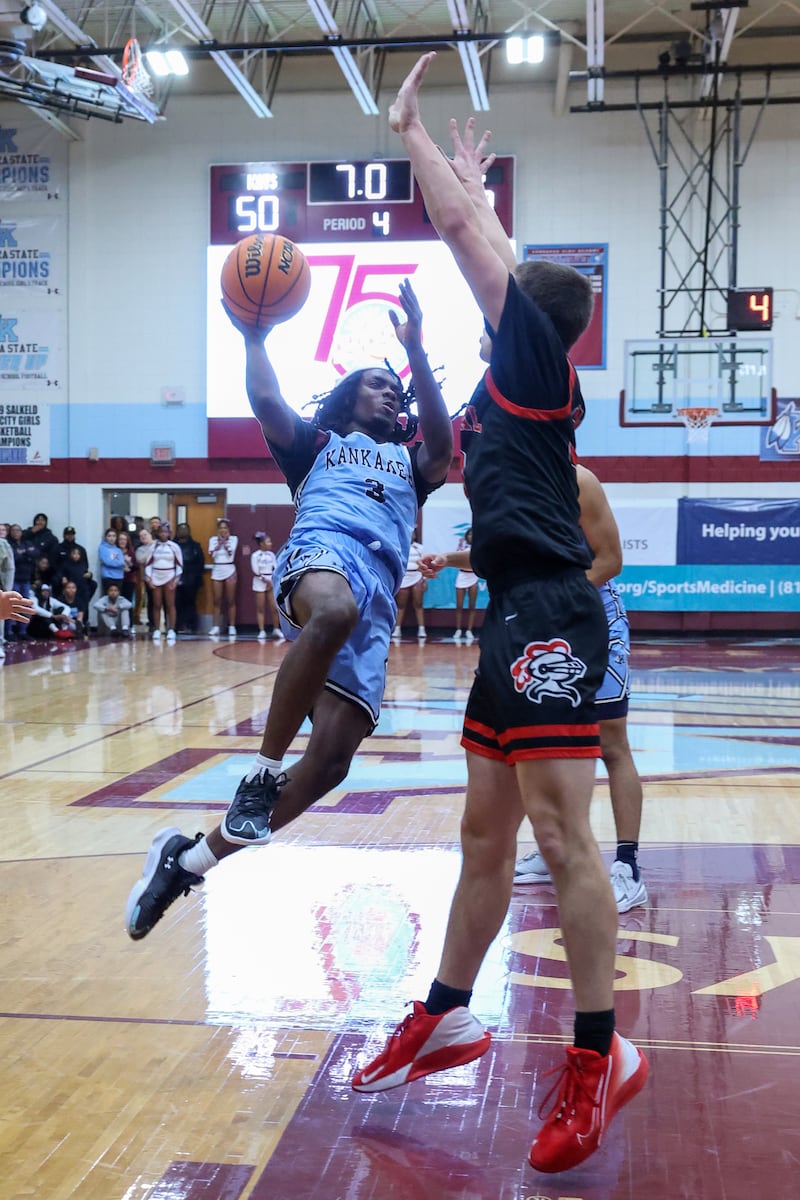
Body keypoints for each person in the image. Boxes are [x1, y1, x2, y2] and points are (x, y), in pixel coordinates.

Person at [350, 57, 647, 1177]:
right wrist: (476, 191)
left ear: (530, 317)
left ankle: (597, 1054)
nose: (497, 283)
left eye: (512, 284)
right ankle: (448, 1010)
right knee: (483, 835)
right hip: (508, 618)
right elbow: (485, 243)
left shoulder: (529, 362)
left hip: (550, 620)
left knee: (562, 838)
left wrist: (415, 139)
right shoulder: (505, 390)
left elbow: (472, 247)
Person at [125, 277, 452, 943]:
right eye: (374, 383)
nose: (389, 391)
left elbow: (443, 451)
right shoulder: (316, 446)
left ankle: (186, 862)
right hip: (323, 557)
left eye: (396, 388)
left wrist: (416, 351)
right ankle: (262, 772)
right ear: (346, 397)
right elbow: (267, 399)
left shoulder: (408, 461)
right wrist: (252, 337)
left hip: (378, 597)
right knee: (331, 611)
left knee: (333, 763)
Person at [514, 466, 647, 915]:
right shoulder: (509, 478)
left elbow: (609, 560)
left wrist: (556, 594)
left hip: (592, 619)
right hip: (542, 625)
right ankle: (553, 851)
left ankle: (628, 866)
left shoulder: (576, 480)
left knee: (611, 743)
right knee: (547, 744)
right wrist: (448, 559)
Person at [144, 522, 183, 643]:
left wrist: (176, 579)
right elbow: (148, 563)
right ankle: (156, 629)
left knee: (170, 604)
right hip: (156, 575)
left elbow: (179, 564)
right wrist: (149, 578)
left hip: (170, 575)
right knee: (156, 604)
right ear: (157, 533)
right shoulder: (153, 546)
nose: (163, 534)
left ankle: (171, 629)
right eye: (161, 532)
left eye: (166, 532)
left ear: (169, 533)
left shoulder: (174, 546)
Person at [392, 526, 427, 641]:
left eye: (413, 533)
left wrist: (424, 579)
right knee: (401, 605)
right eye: (409, 533)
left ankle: (421, 629)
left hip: (417, 577)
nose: (411, 535)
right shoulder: (400, 547)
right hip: (404, 578)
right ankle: (397, 629)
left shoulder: (420, 548)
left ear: (415, 535)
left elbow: (425, 564)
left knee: (418, 603)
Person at [251, 531, 284, 642]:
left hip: (271, 582)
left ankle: (276, 629)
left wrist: (271, 582)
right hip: (259, 582)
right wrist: (265, 581)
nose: (270, 543)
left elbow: (275, 569)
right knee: (260, 608)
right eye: (268, 541)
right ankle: (261, 630)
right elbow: (256, 570)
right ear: (261, 544)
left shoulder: (272, 555)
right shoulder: (255, 555)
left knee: (274, 608)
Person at [208, 518, 238, 637]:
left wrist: (225, 542)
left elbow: (231, 552)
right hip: (217, 570)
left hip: (229, 569)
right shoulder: (213, 540)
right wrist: (218, 543)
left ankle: (232, 626)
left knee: (230, 600)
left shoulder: (233, 539)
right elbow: (211, 554)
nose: (223, 530)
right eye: (221, 528)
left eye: (225, 528)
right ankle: (215, 626)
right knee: (217, 600)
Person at [175, 522, 205, 634]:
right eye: (180, 529)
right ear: (177, 532)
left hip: (191, 580)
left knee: (190, 603)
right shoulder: (172, 545)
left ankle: (191, 625)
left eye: (185, 529)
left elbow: (200, 563)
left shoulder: (195, 546)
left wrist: (195, 576)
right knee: (177, 603)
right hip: (175, 579)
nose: (183, 531)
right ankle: (178, 625)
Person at [453, 528, 480, 643]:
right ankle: (458, 629)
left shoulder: (478, 546)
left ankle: (469, 630)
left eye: (473, 535)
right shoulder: (462, 546)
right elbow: (456, 557)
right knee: (459, 605)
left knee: (472, 605)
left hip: (473, 576)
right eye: (469, 534)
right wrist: (460, 543)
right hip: (462, 576)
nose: (471, 536)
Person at [98, 528, 125, 593]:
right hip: (108, 577)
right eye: (109, 536)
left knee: (117, 598)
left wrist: (117, 563)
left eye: (113, 536)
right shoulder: (102, 548)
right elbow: (107, 562)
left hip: (119, 577)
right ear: (106, 537)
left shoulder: (118, 550)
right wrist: (119, 564)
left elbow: (122, 562)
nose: (111, 538)